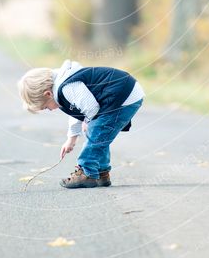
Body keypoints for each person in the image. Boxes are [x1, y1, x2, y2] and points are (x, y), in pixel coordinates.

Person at [17, 59, 144, 188]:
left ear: (48, 94)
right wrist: (71, 139)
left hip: (121, 96)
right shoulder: (63, 85)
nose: (49, 110)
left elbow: (90, 108)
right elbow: (77, 113)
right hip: (124, 94)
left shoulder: (67, 87)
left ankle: (87, 173)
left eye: (45, 107)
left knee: (95, 132)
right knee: (100, 136)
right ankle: (101, 172)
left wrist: (88, 121)